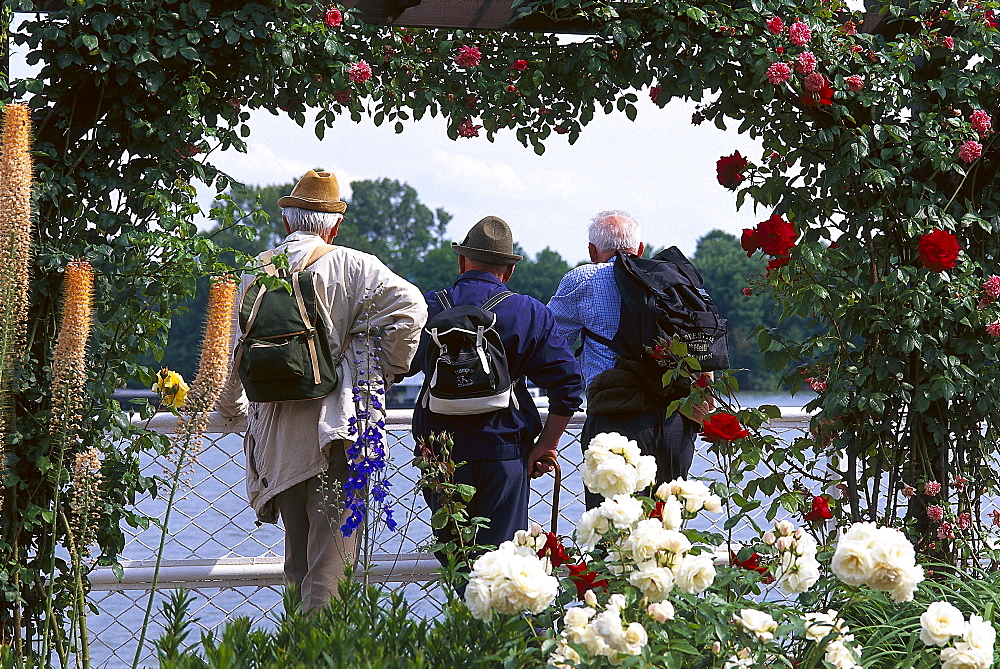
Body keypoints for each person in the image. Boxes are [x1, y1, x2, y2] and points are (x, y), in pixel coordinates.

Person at [217, 170, 427, 611]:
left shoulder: (256, 271)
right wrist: (388, 369)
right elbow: (412, 309)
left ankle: (295, 652)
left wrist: (230, 408)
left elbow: (237, 349)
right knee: (334, 564)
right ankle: (325, 654)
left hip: (276, 433)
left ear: (288, 222)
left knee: (296, 563)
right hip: (338, 427)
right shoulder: (354, 265)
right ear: (333, 226)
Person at [410, 215, 584, 561]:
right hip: (505, 454)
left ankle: (463, 612)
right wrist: (546, 445)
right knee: (500, 561)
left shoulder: (429, 307)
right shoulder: (529, 312)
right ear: (509, 271)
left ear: (462, 261)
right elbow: (568, 385)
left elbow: (399, 366)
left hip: (439, 454)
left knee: (455, 560)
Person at [547, 210, 709, 508]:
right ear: (641, 249)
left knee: (609, 525)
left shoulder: (584, 278)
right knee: (666, 530)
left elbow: (548, 341)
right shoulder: (672, 280)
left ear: (592, 251)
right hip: (675, 419)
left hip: (615, 417)